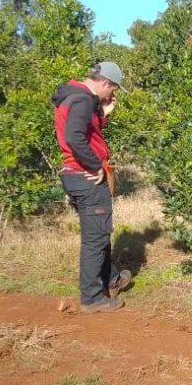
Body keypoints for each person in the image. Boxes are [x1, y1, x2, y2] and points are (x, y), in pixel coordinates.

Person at [52, 62, 132, 314]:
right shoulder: (83, 101)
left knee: (99, 232)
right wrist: (95, 167)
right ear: (105, 83)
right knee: (95, 239)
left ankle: (112, 279)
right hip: (86, 176)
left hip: (75, 175)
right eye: (113, 89)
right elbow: (75, 137)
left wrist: (103, 115)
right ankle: (92, 298)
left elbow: (88, 133)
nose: (112, 95)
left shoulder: (75, 98)